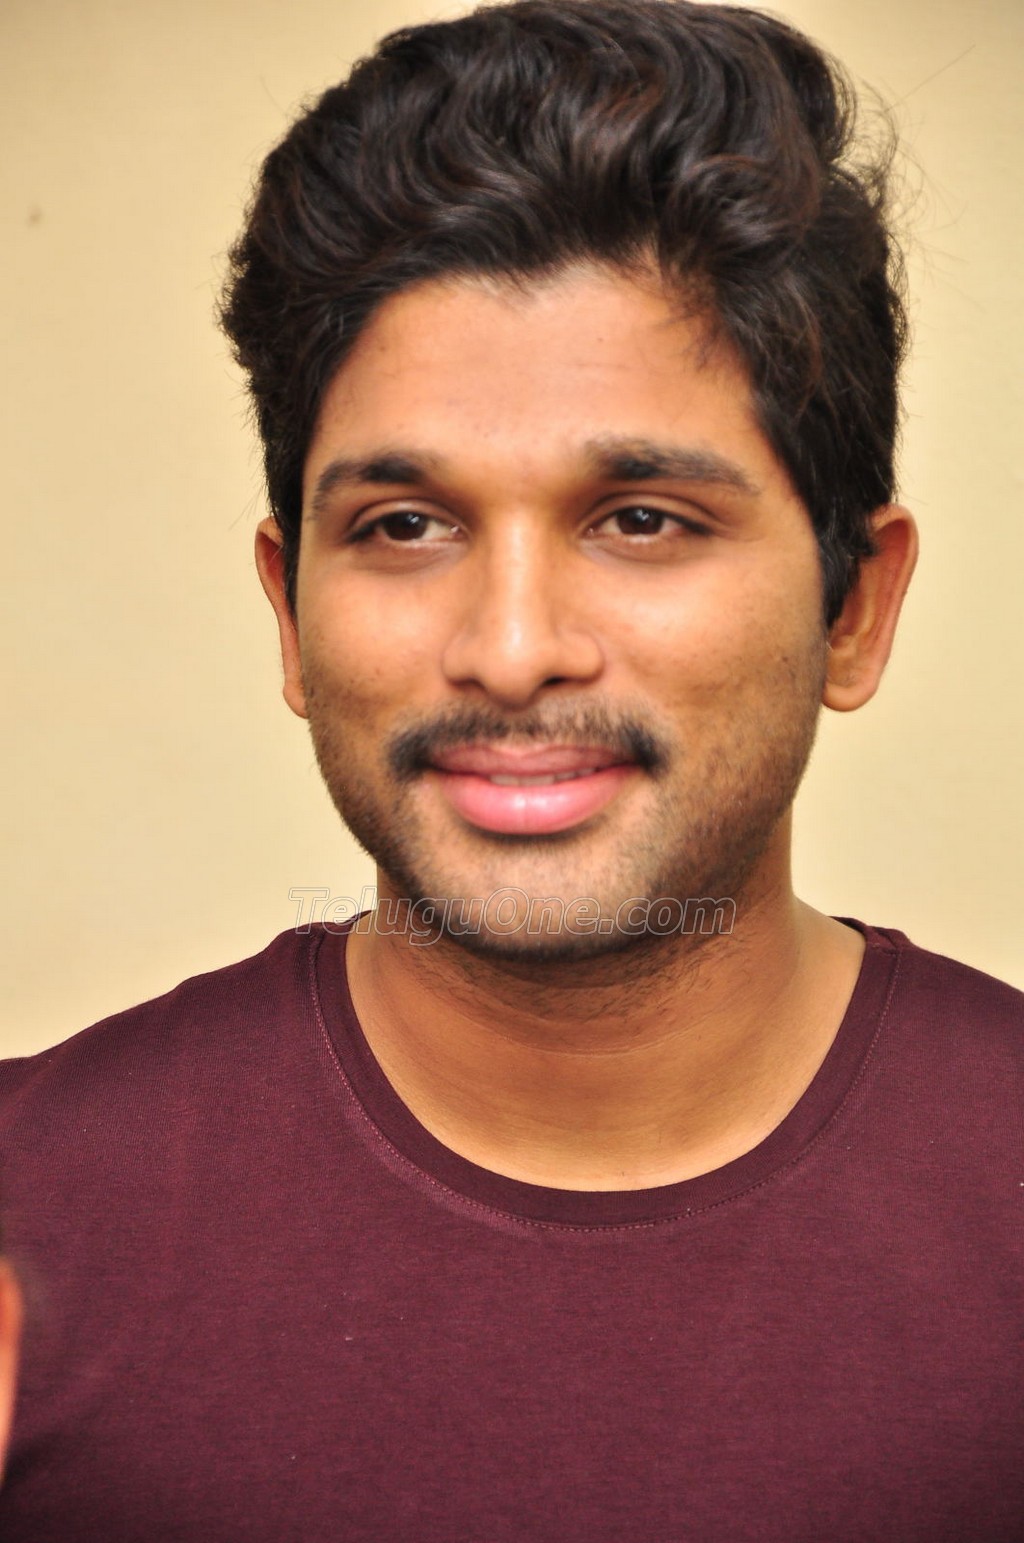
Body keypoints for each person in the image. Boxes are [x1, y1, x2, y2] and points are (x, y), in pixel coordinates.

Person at [0, 2, 1020, 1538]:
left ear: (854, 609)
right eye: (405, 526)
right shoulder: (28, 1223)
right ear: (290, 613)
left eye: (642, 520)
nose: (513, 647)